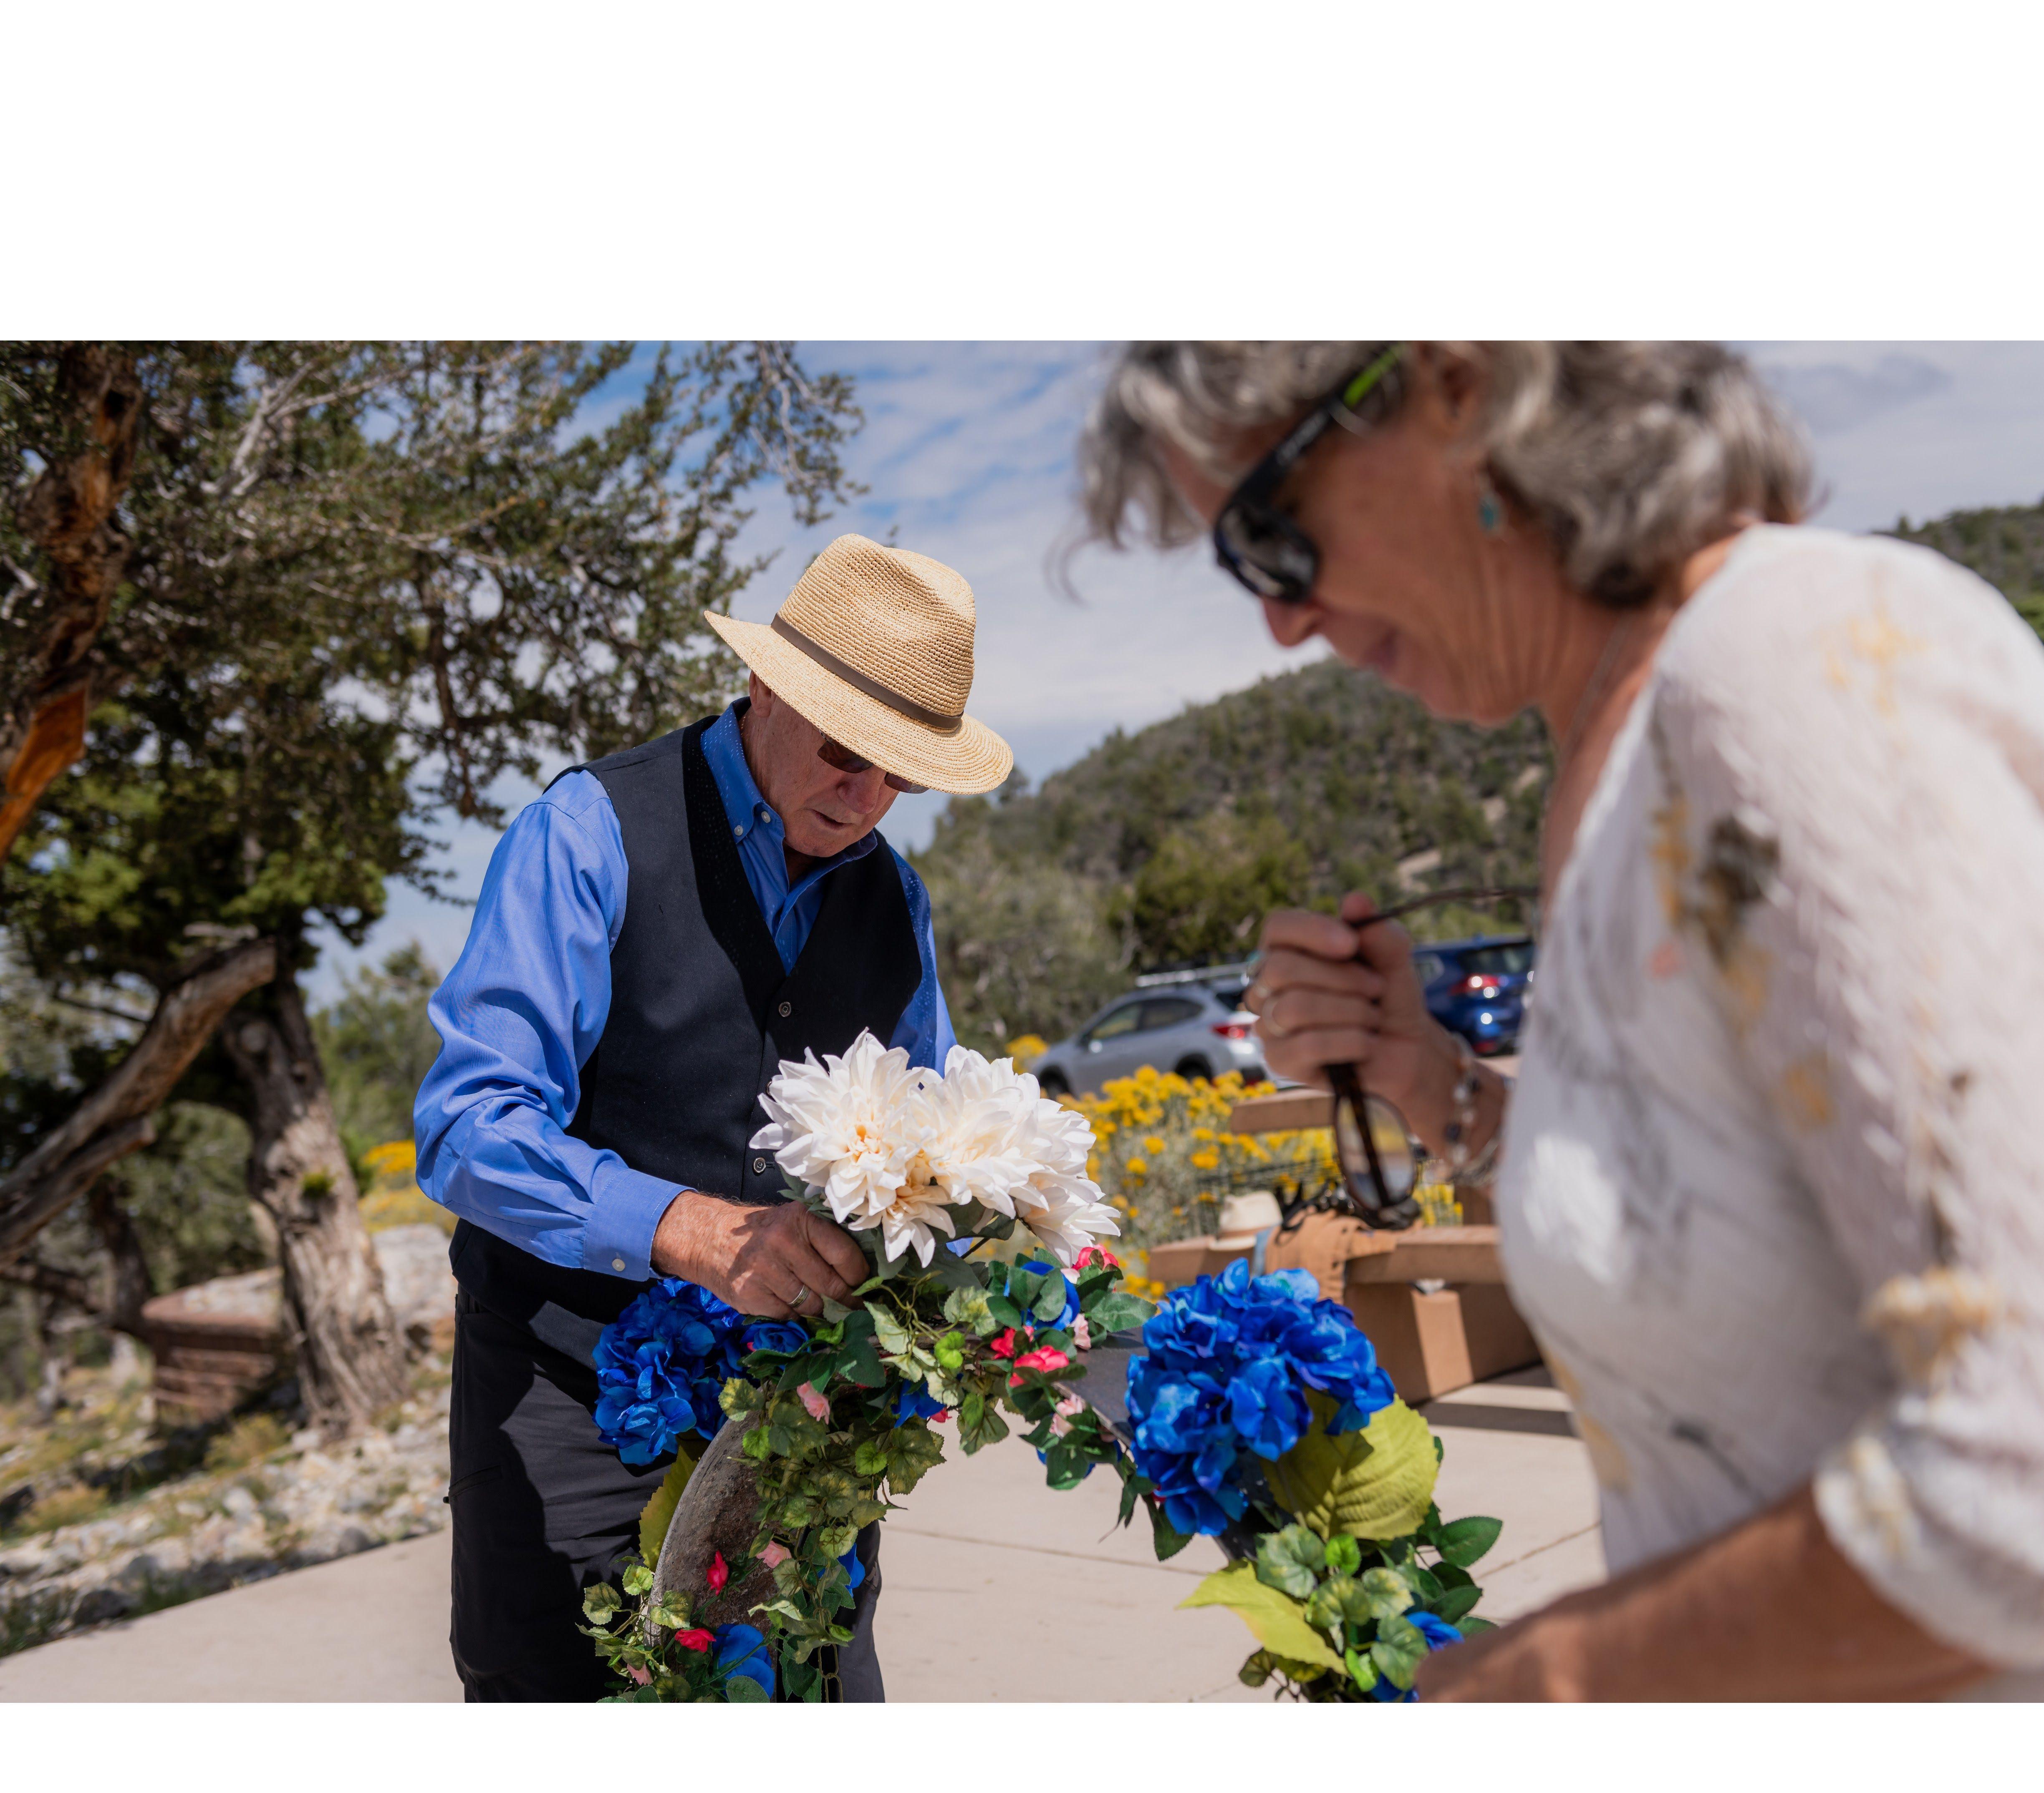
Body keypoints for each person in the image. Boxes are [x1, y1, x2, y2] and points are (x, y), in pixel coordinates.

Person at [1078, 341, 2044, 1700]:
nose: (1280, 621)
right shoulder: (1615, 756)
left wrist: (1543, 1680)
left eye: (1264, 532)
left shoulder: (1785, 670)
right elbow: (1728, 1190)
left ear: (1456, 384)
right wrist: (1438, 1088)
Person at [414, 534, 1013, 1702]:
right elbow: (468, 1121)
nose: (871, 798)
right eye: (851, 755)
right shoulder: (587, 831)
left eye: (905, 776)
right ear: (768, 686)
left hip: (792, 1407)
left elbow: (924, 1141)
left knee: (811, 1688)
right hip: (566, 1382)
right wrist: (684, 1227)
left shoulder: (894, 895)